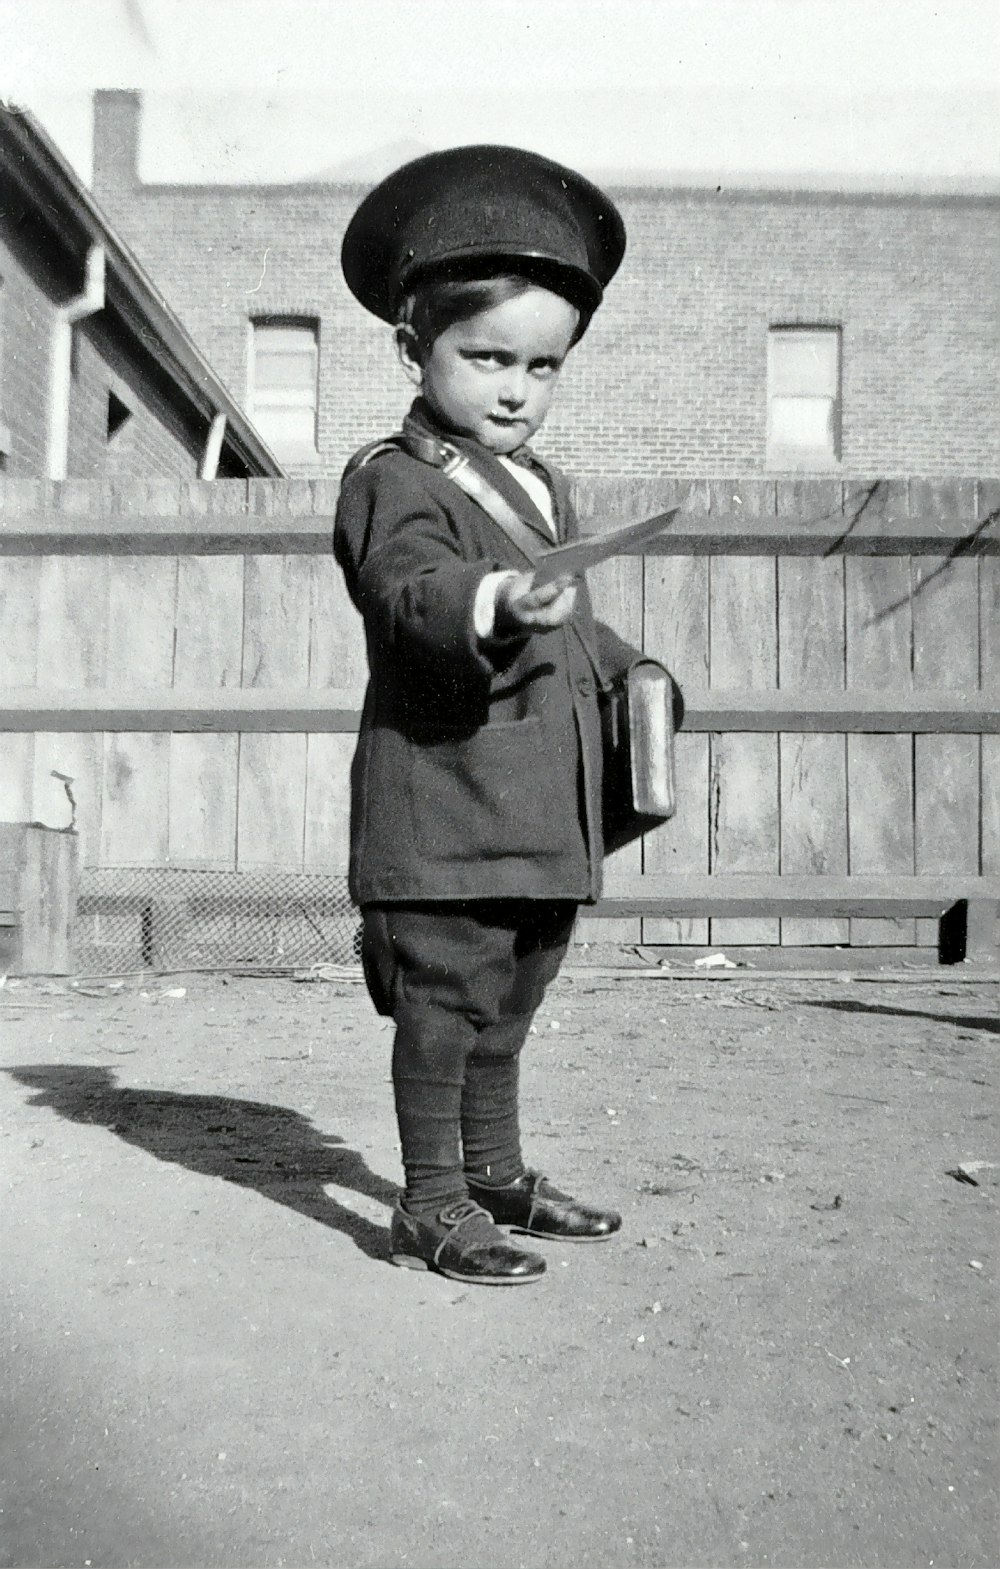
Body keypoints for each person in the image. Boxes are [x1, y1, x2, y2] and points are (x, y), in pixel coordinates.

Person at [335, 145, 648, 1286]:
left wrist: (628, 666)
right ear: (414, 348)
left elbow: (562, 629)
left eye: (544, 365)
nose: (515, 388)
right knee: (443, 1004)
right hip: (446, 806)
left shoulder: (542, 484)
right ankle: (427, 1201)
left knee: (513, 1000)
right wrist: (499, 598)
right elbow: (413, 594)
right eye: (486, 357)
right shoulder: (395, 480)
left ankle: (496, 1173)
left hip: (536, 811)